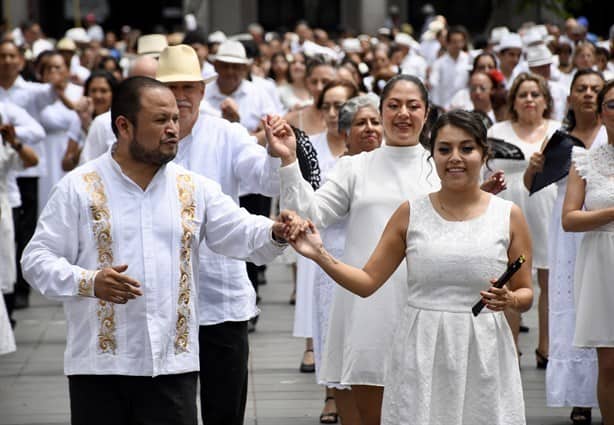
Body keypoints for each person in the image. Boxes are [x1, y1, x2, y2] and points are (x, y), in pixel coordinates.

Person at [20, 76, 298, 425]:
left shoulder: (192, 187)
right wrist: (88, 281)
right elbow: (36, 259)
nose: (172, 129)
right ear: (124, 126)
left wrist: (276, 230)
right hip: (100, 366)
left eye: (174, 120)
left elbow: (239, 230)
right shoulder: (79, 188)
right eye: (160, 120)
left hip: (172, 364)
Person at [268, 75, 505, 425]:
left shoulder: (441, 165)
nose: (403, 114)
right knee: (371, 412)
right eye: (393, 106)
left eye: (413, 106)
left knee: (430, 408)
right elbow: (311, 214)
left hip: (430, 305)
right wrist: (289, 161)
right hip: (368, 300)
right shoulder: (356, 166)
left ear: (427, 113)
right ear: (381, 113)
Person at [155, 44, 282, 425]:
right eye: (171, 88)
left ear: (202, 91)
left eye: (189, 88)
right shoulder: (139, 140)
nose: (181, 97)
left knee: (224, 409)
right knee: (168, 411)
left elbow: (265, 179)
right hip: (161, 299)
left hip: (219, 293)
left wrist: (277, 153)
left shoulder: (226, 133)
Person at [524, 69, 604, 425]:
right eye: (581, 89)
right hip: (567, 227)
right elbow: (533, 184)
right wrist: (533, 168)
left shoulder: (608, 135)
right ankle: (580, 395)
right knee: (572, 306)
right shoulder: (560, 138)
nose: (588, 94)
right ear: (570, 96)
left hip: (603, 223)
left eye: (595, 90)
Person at [312, 94, 382, 425]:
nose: (370, 129)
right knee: (341, 350)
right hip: (337, 268)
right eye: (360, 123)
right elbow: (317, 213)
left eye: (375, 122)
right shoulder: (338, 170)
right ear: (346, 134)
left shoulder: (398, 166)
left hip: (384, 271)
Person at [291, 79, 358, 424]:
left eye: (342, 107)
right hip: (324, 244)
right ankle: (332, 394)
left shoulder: (367, 146)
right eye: (328, 106)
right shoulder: (311, 148)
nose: (334, 114)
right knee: (330, 320)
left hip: (363, 245)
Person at [488, 72, 560, 364]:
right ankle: (510, 348)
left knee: (549, 280)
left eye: (535, 94)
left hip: (547, 206)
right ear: (513, 101)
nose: (529, 100)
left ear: (545, 100)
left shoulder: (558, 131)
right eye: (523, 95)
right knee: (511, 278)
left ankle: (546, 347)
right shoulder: (497, 130)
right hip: (506, 206)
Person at [562, 79, 614, 425]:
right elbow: (569, 218)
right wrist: (611, 213)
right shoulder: (585, 160)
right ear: (600, 113)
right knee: (609, 363)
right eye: (612, 105)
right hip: (601, 262)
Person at [0, 100, 42, 329]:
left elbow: (32, 159)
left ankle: (6, 315)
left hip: (4, 209)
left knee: (6, 263)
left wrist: (13, 141)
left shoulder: (6, 145)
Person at [79, 55, 159, 164]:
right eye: (141, 82)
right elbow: (87, 167)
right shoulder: (103, 123)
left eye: (153, 83)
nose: (148, 89)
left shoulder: (172, 122)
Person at [35, 51, 83, 211]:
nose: (54, 72)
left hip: (72, 148)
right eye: (49, 68)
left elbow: (79, 111)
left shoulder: (78, 91)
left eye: (58, 67)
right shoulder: (39, 93)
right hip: (47, 151)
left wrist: (61, 94)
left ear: (67, 70)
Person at [428, 26, 470, 109]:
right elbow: (433, 84)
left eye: (460, 42)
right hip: (445, 108)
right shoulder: (439, 63)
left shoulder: (469, 60)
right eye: (454, 42)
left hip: (465, 107)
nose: (457, 45)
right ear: (447, 42)